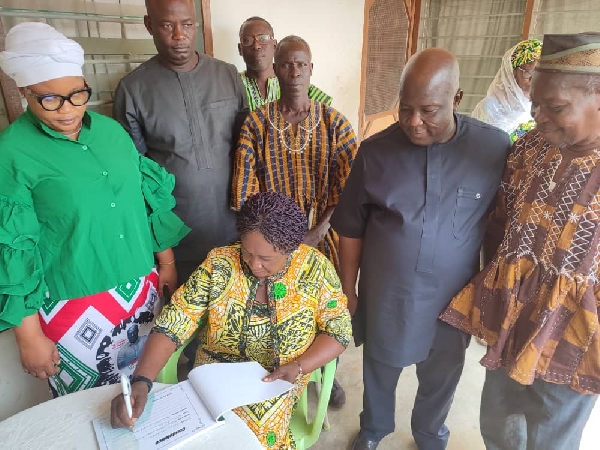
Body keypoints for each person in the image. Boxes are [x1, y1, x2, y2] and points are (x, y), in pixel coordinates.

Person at [331, 48, 511, 450]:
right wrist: (348, 287)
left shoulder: (494, 149)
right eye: (405, 108)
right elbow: (349, 227)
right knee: (380, 366)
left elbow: (501, 226)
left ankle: (430, 434)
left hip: (454, 298)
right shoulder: (375, 152)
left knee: (443, 373)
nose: (414, 122)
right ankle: (374, 429)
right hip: (388, 293)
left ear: (457, 99)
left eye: (428, 110)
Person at [0, 22, 189, 396]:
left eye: (77, 94)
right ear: (25, 92)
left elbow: (145, 200)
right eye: (49, 99)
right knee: (90, 408)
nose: (68, 109)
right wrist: (28, 335)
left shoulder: (110, 132)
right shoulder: (12, 153)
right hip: (74, 302)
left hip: (140, 289)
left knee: (148, 386)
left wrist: (165, 262)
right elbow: (12, 248)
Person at [440, 33, 600, 450]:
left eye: (556, 107)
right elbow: (497, 225)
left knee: (552, 433)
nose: (540, 116)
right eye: (535, 104)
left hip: (572, 335)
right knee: (497, 419)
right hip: (510, 317)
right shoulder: (529, 147)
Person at [110, 191, 351, 448]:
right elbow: (175, 320)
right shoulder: (220, 263)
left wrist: (300, 367)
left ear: (290, 248)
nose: (254, 264)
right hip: (212, 380)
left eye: (266, 259)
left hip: (277, 379)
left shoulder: (315, 270)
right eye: (247, 252)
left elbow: (338, 331)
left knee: (248, 440)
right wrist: (142, 381)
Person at [113, 0, 248, 283]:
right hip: (176, 238)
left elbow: (247, 151)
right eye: (167, 25)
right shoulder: (133, 89)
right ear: (149, 25)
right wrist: (165, 256)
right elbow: (137, 177)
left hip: (236, 230)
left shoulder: (227, 75)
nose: (179, 35)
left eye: (187, 25)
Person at [238, 17, 332, 111]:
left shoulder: (300, 86)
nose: (256, 46)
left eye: (263, 38)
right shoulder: (232, 84)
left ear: (275, 45)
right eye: (247, 40)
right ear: (240, 49)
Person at [471, 39, 542, 143]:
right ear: (512, 73)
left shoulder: (544, 107)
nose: (535, 82)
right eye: (529, 74)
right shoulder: (490, 108)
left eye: (541, 75)